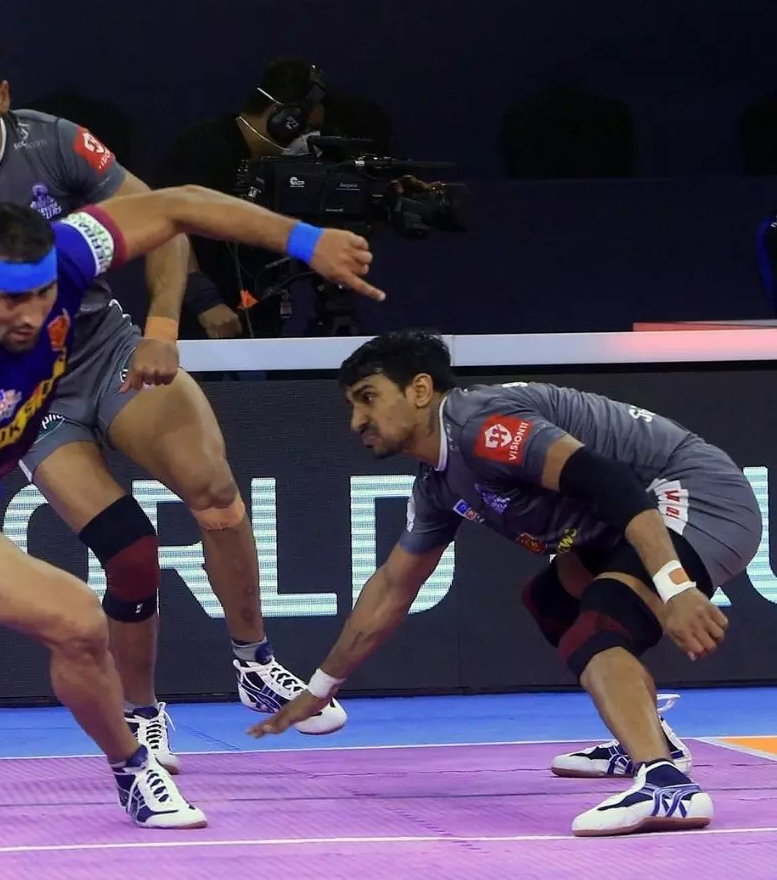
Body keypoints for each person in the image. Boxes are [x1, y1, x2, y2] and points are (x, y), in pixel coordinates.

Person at [0, 22, 349, 777]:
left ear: (2, 97)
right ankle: (142, 715)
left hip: (107, 351)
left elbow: (169, 215)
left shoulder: (57, 145)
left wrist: (164, 328)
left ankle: (253, 660)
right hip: (25, 401)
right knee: (131, 553)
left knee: (215, 492)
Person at [0, 187, 378, 827]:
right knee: (76, 622)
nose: (31, 315)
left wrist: (307, 240)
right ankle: (134, 771)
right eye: (10, 301)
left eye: (41, 295)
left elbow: (179, 205)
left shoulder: (66, 252)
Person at [250, 329, 762, 838]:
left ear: (420, 390)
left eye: (369, 398)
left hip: (695, 494)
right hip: (619, 519)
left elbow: (612, 483)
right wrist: (319, 690)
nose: (357, 421)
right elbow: (391, 590)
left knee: (600, 624)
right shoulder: (437, 484)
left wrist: (676, 588)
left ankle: (668, 786)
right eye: (352, 405)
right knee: (551, 599)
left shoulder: (483, 427)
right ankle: (650, 743)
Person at [157, 59, 328, 340]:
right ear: (282, 119)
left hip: (262, 319)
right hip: (198, 324)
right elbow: (165, 227)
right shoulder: (202, 148)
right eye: (308, 128)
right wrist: (203, 300)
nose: (311, 140)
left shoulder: (285, 167)